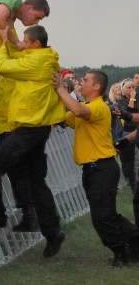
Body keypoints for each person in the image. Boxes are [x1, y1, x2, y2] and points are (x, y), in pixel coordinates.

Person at [0, 25, 66, 259]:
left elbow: (3, 64)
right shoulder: (41, 59)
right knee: (35, 181)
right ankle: (52, 231)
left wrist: (2, 40)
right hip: (35, 128)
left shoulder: (37, 62)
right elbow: (10, 56)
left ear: (34, 44)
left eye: (24, 40)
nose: (21, 44)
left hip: (28, 129)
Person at [58, 70, 139, 266]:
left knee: (103, 217)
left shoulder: (99, 107)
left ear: (96, 87)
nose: (81, 83)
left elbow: (77, 111)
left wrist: (59, 89)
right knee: (105, 216)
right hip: (94, 170)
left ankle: (122, 253)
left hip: (102, 168)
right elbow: (62, 117)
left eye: (85, 80)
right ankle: (132, 247)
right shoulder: (86, 107)